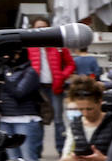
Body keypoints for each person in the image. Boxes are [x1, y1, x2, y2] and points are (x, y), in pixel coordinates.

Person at [26, 15, 76, 152]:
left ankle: (61, 150)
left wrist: (61, 76)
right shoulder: (29, 47)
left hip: (55, 87)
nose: (42, 31)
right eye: (38, 28)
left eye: (44, 27)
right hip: (37, 89)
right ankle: (37, 150)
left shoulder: (58, 45)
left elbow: (70, 64)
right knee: (38, 120)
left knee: (58, 121)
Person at [0, 48, 43, 161]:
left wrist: (3, 79)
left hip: (25, 120)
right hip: (5, 120)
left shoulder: (30, 72)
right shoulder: (3, 70)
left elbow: (20, 93)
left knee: (29, 159)